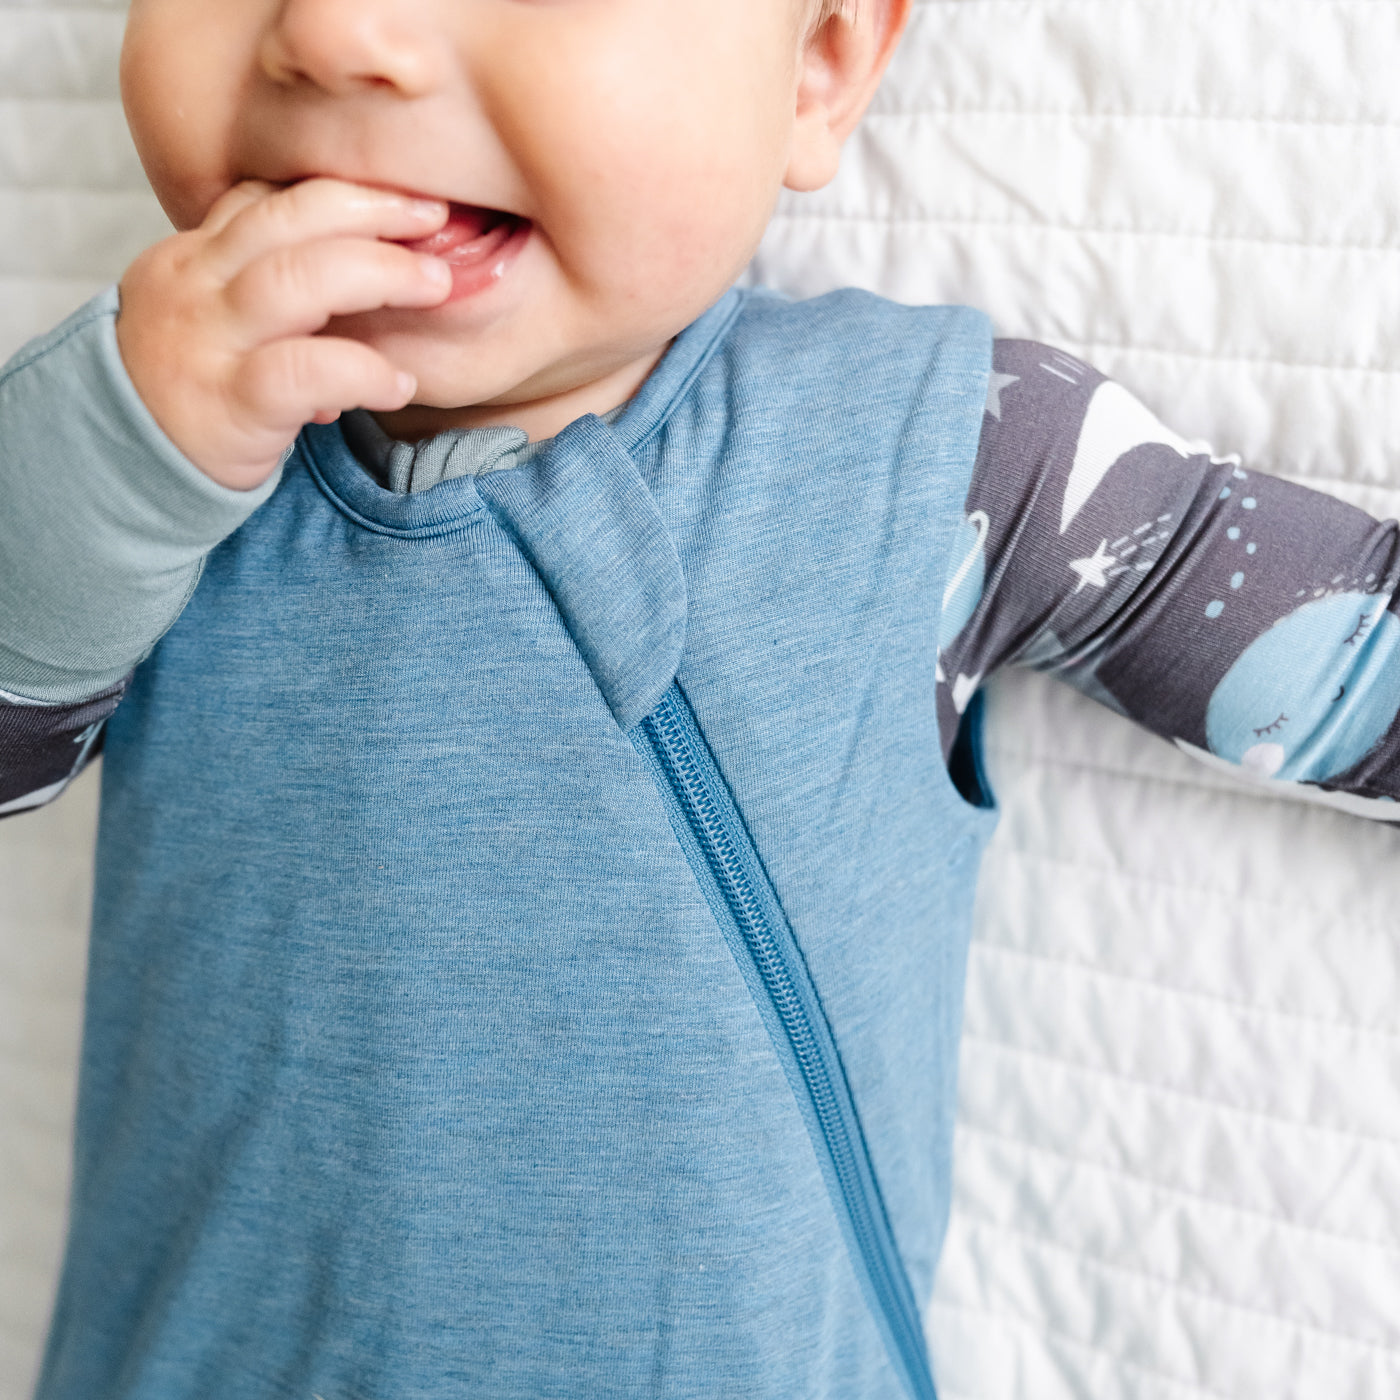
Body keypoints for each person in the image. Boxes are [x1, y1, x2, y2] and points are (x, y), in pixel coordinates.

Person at [1, 0, 1397, 1396]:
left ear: (818, 65)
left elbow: (1347, 657)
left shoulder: (934, 450)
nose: (337, 32)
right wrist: (113, 461)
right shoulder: (119, 454)